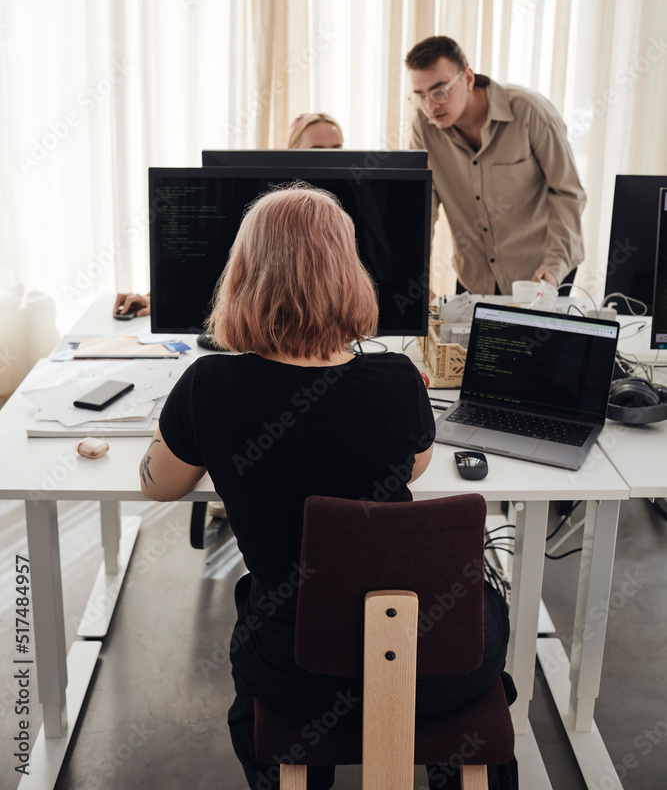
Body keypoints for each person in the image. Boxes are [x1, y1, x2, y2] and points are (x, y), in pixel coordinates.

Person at [137, 185, 517, 790]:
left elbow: (159, 486)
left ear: (242, 276)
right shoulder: (398, 380)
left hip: (298, 670)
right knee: (487, 599)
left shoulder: (208, 385)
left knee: (257, 613)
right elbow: (414, 469)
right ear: (347, 274)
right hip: (437, 665)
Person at [114, 112, 345, 318]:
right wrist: (157, 299)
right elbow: (215, 259)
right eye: (317, 150)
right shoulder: (267, 202)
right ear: (293, 152)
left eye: (337, 149)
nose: (330, 158)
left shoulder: (350, 202)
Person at [406, 36, 586, 296]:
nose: (430, 106)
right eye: (420, 96)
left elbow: (567, 193)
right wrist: (414, 275)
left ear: (468, 78)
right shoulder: (423, 129)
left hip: (540, 275)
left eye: (439, 91)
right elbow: (422, 209)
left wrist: (554, 265)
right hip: (476, 279)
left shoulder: (530, 112)